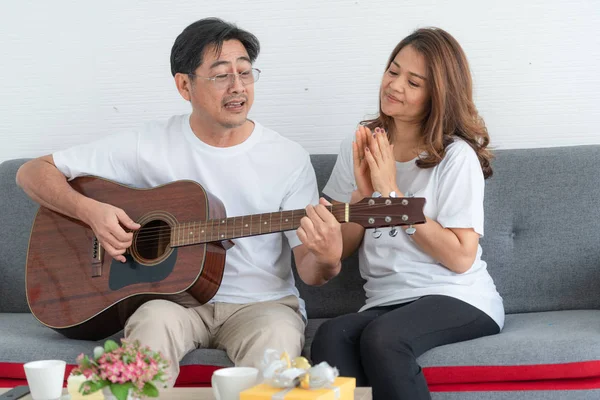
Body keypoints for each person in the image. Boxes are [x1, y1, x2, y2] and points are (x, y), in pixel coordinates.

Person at [16, 17, 343, 386]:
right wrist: (91, 212)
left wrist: (328, 259)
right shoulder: (148, 143)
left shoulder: (288, 157)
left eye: (246, 73)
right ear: (184, 85)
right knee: (151, 325)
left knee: (276, 346)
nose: (238, 87)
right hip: (173, 304)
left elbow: (312, 271)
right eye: (221, 75)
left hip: (263, 307)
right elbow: (32, 172)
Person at [310, 27, 505, 399]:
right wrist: (362, 198)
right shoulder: (361, 143)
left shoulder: (455, 155)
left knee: (384, 339)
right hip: (386, 300)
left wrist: (392, 196)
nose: (395, 85)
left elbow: (461, 257)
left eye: (413, 82)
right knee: (331, 335)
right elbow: (344, 247)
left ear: (438, 95)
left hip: (458, 296)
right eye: (393, 70)